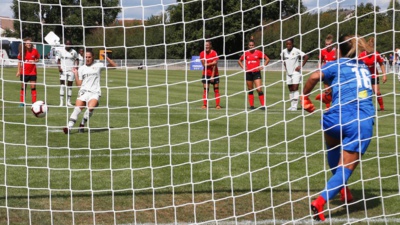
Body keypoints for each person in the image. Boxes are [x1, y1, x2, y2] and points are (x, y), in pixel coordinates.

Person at [301, 34, 375, 221]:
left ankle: (344, 191)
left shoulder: (336, 64)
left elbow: (314, 76)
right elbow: (362, 90)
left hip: (334, 118)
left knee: (333, 149)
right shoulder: (364, 66)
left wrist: (304, 96)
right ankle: (320, 201)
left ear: (338, 49)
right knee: (347, 167)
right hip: (359, 119)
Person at [63, 50, 117, 134]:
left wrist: (106, 57)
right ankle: (69, 127)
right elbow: (79, 85)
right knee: (77, 109)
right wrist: (76, 73)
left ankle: (82, 124)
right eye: (86, 57)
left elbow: (114, 66)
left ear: (93, 57)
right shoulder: (81, 68)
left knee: (90, 108)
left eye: (89, 57)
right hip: (83, 92)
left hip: (95, 92)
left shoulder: (98, 65)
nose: (87, 59)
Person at [238, 39, 270, 110]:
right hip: (248, 73)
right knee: (250, 89)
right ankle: (252, 106)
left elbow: (267, 59)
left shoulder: (258, 52)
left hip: (256, 73)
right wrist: (243, 67)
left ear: (254, 46)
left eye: (252, 45)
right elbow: (239, 61)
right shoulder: (246, 53)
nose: (251, 46)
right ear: (248, 46)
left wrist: (263, 66)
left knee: (259, 89)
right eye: (250, 45)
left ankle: (263, 105)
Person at [359, 37, 387, 111]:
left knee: (377, 92)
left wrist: (384, 75)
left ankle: (382, 107)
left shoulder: (376, 54)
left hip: (374, 75)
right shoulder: (362, 55)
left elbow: (381, 64)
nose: (369, 52)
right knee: (365, 93)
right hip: (364, 76)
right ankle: (365, 107)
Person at [281, 38, 309, 111]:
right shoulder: (283, 51)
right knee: (290, 89)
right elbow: (282, 59)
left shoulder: (296, 50)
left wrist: (301, 66)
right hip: (288, 73)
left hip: (295, 72)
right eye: (287, 44)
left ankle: (295, 106)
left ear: (292, 44)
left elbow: (306, 56)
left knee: (295, 88)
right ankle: (291, 105)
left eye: (290, 44)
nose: (288, 45)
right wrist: (285, 66)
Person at [16, 37, 40, 106]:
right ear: (25, 44)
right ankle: (22, 102)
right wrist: (18, 71)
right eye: (27, 43)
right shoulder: (22, 52)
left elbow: (38, 59)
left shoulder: (35, 51)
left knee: (33, 87)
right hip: (24, 72)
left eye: (30, 43)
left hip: (33, 72)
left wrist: (35, 61)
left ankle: (34, 102)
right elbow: (19, 62)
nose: (29, 44)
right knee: (23, 87)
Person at [56, 40, 79, 106]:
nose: (68, 45)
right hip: (63, 71)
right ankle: (61, 102)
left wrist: (76, 67)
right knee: (62, 86)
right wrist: (59, 68)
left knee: (70, 86)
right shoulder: (61, 51)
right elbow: (58, 60)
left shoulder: (74, 52)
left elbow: (77, 59)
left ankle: (68, 102)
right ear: (65, 44)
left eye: (69, 44)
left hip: (71, 71)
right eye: (67, 44)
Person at [317, 34, 336, 109]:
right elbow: (320, 61)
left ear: (332, 44)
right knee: (327, 91)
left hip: (334, 74)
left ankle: (335, 105)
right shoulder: (322, 51)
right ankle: (327, 107)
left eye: (329, 44)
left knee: (334, 90)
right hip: (326, 73)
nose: (327, 46)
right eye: (326, 44)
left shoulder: (336, 51)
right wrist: (319, 69)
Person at [200, 40, 221, 109]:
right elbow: (204, 64)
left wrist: (212, 76)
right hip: (205, 74)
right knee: (206, 89)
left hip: (215, 74)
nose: (206, 46)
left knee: (216, 89)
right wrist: (212, 63)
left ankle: (217, 105)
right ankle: (204, 105)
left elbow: (215, 65)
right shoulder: (202, 53)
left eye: (207, 45)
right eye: (205, 45)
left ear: (210, 46)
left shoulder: (214, 53)